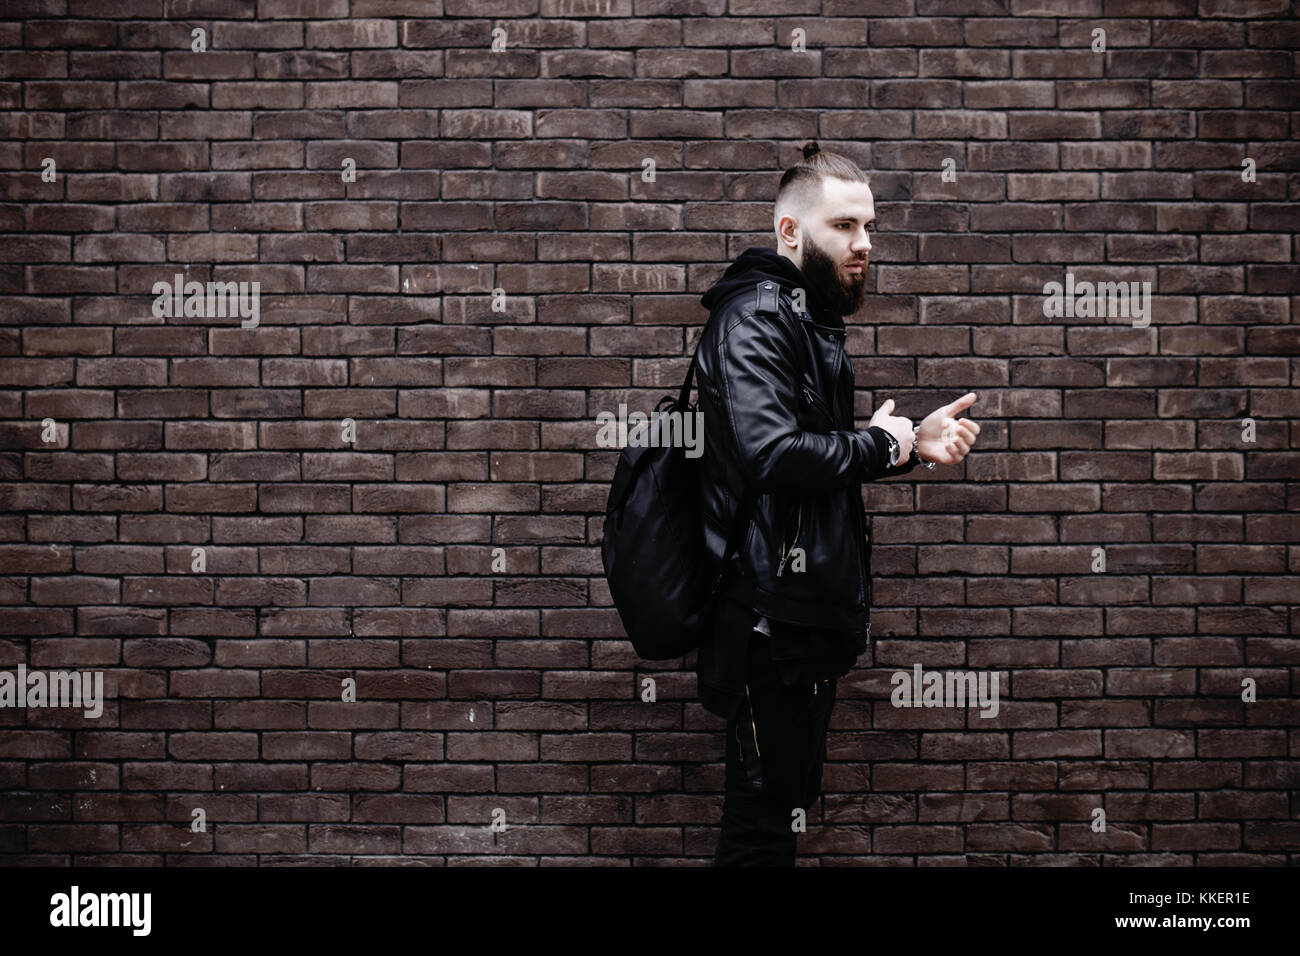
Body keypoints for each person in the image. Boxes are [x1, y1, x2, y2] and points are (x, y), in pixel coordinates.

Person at [694, 140, 981, 866]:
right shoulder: (760, 317)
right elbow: (773, 455)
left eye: (869, 227)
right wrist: (886, 445)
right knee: (760, 829)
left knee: (775, 818)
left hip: (793, 620)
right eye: (844, 227)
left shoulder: (801, 318)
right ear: (790, 231)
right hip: (771, 623)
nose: (865, 244)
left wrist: (910, 441)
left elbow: (814, 464)